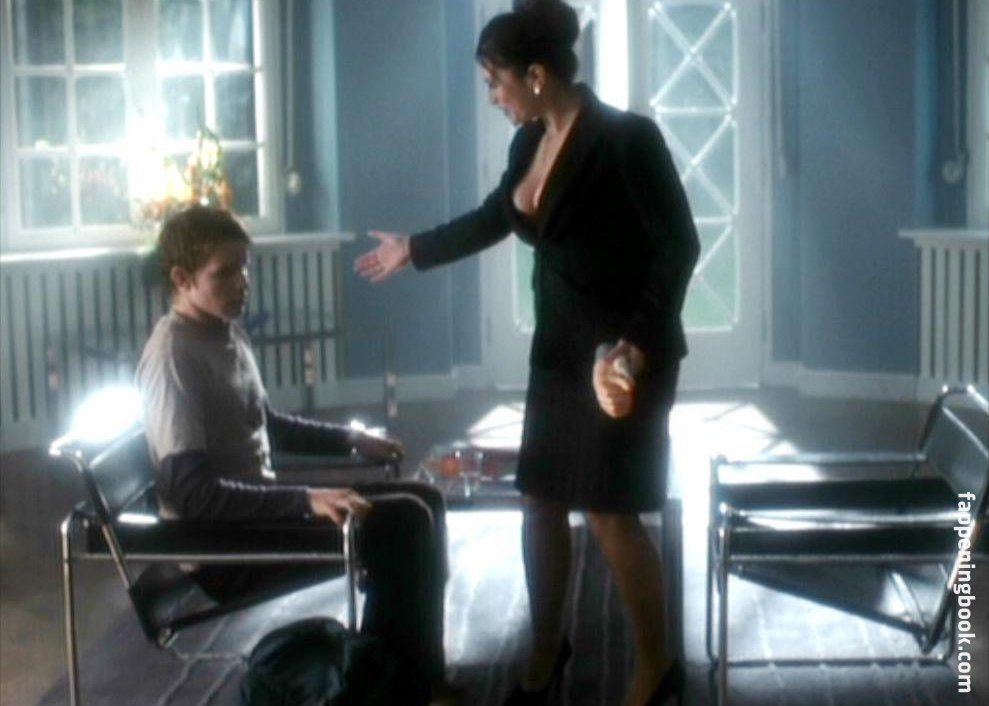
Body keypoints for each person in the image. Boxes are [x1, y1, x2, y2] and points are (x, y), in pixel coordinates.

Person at [354, 1, 700, 704]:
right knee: (539, 501)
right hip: (559, 355)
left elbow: (678, 247)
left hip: (623, 358)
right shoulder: (528, 142)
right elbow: (496, 215)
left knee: (608, 511)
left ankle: (656, 665)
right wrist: (414, 249)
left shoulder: (627, 139)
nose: (492, 96)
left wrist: (633, 346)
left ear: (536, 75)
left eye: (495, 81)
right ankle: (547, 647)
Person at [136, 205, 454, 705]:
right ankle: (395, 688)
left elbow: (264, 423)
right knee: (403, 524)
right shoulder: (173, 357)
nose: (242, 284)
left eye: (244, 269)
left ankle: (409, 676)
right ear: (181, 279)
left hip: (257, 515)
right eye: (224, 273)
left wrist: (350, 440)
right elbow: (193, 495)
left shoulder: (223, 331)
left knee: (424, 499)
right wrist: (306, 499)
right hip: (222, 545)